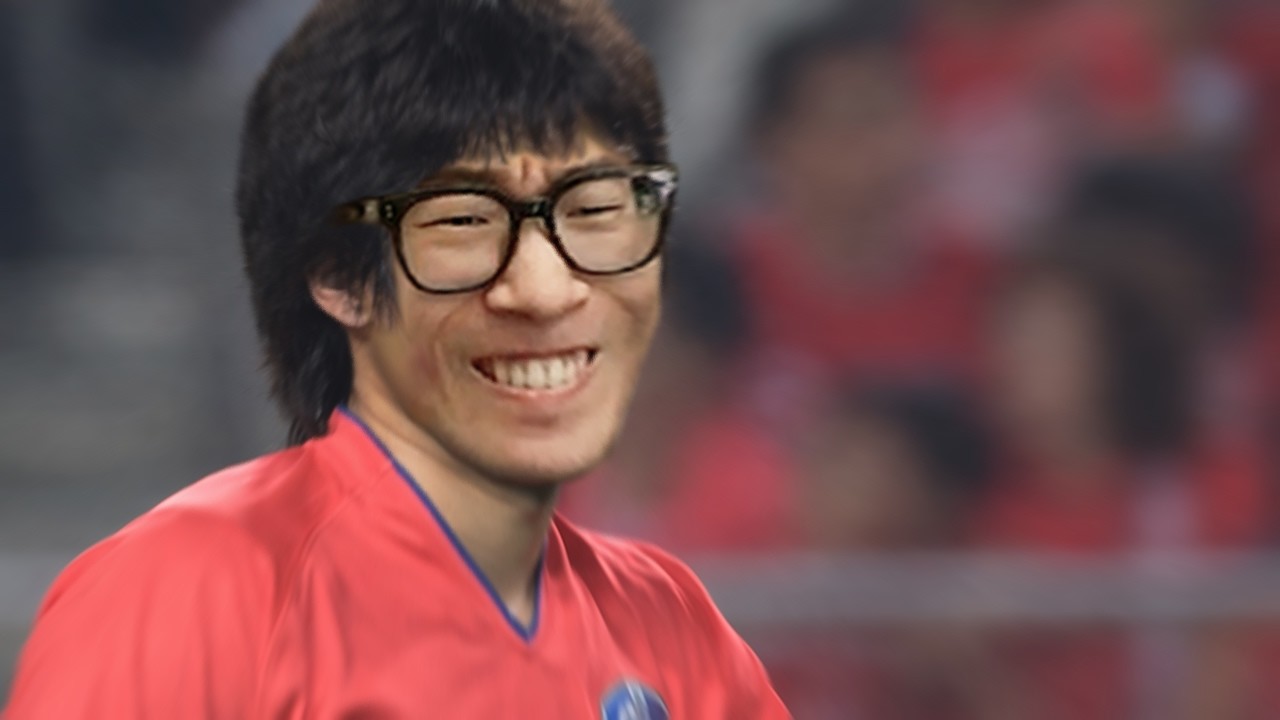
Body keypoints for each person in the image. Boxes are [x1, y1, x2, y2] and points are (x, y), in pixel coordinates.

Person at [3, 1, 791, 717]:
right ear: (339, 278)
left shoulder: (667, 620)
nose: (549, 290)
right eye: (466, 223)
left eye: (596, 211)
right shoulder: (186, 592)